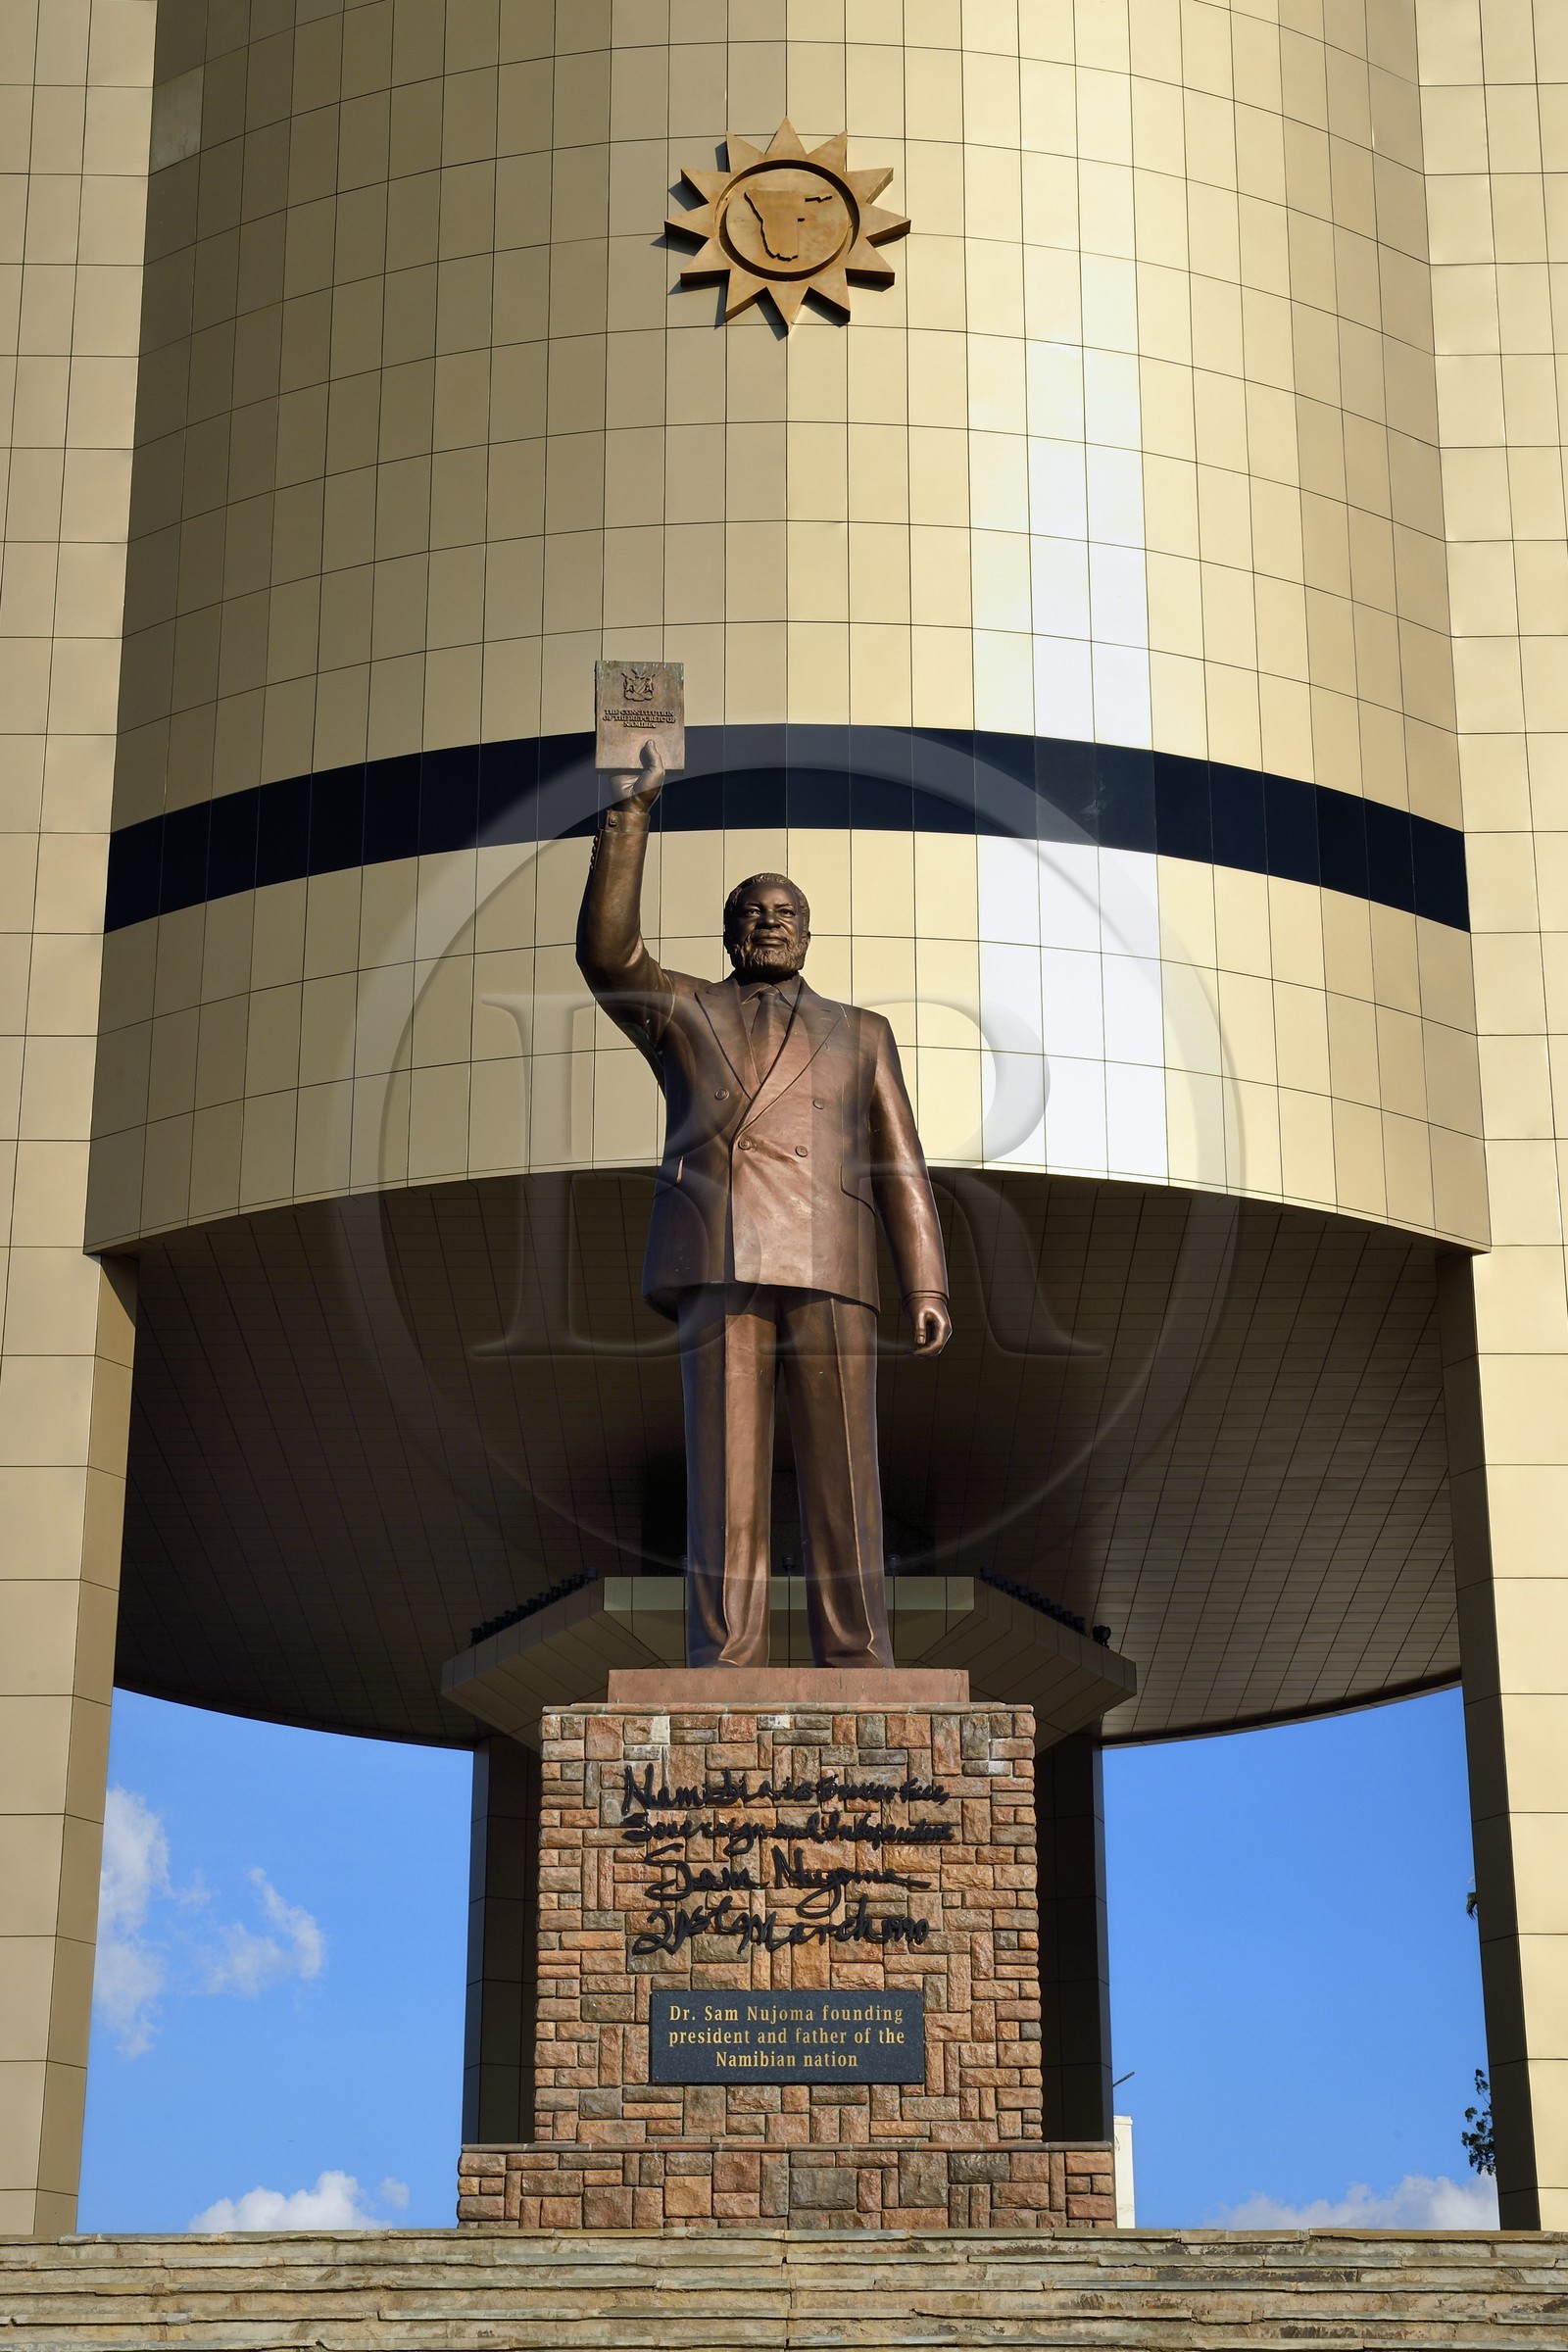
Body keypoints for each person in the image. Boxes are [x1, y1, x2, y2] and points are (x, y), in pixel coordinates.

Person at [576, 743, 952, 1669]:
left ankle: (859, 1654)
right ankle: (724, 1656)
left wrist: (926, 1283)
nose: (770, 925)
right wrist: (629, 817)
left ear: (808, 935)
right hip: (719, 1256)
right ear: (729, 933)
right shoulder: (683, 1010)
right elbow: (608, 953)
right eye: (753, 913)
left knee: (845, 1471)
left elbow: (901, 1166)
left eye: (786, 915)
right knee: (724, 1476)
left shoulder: (862, 1033)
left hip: (831, 1261)